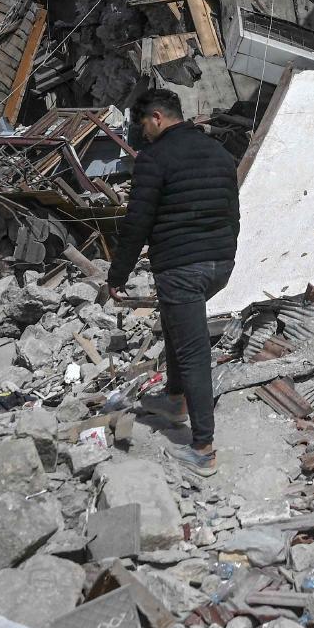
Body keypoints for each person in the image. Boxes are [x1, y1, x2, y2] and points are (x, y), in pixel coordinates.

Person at [105, 89, 240, 476]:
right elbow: (233, 211)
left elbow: (137, 223)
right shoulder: (218, 152)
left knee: (194, 352)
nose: (142, 134)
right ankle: (176, 398)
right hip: (219, 264)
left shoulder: (154, 158)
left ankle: (202, 449)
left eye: (143, 124)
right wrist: (224, 253)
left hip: (182, 267)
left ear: (158, 117)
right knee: (177, 325)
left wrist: (118, 273)